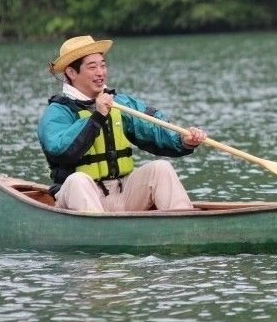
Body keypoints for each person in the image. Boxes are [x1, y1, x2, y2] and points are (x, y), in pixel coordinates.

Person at [38, 35, 207, 212]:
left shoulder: (119, 103)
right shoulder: (57, 112)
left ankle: (183, 225)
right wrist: (97, 117)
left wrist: (184, 140)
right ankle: (101, 234)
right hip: (81, 198)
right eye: (92, 67)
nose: (100, 72)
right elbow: (61, 150)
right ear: (71, 72)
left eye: (103, 65)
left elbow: (153, 128)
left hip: (123, 192)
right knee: (77, 180)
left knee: (161, 169)